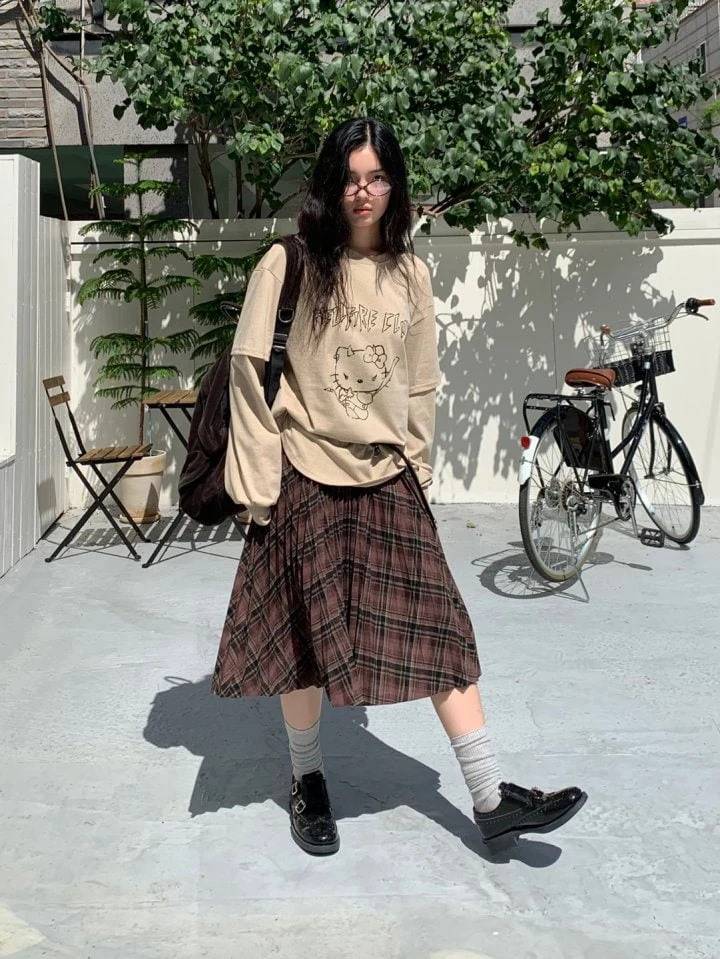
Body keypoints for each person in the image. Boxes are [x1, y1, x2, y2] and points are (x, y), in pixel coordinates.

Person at [212, 117, 587, 856]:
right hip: (303, 475)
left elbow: (422, 384)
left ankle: (490, 798)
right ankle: (308, 780)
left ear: (395, 185)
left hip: (386, 474)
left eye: (377, 177)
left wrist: (416, 468)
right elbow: (249, 376)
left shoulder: (409, 271)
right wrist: (261, 488)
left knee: (440, 629)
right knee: (304, 640)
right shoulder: (287, 263)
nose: (364, 191)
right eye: (351, 177)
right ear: (330, 182)